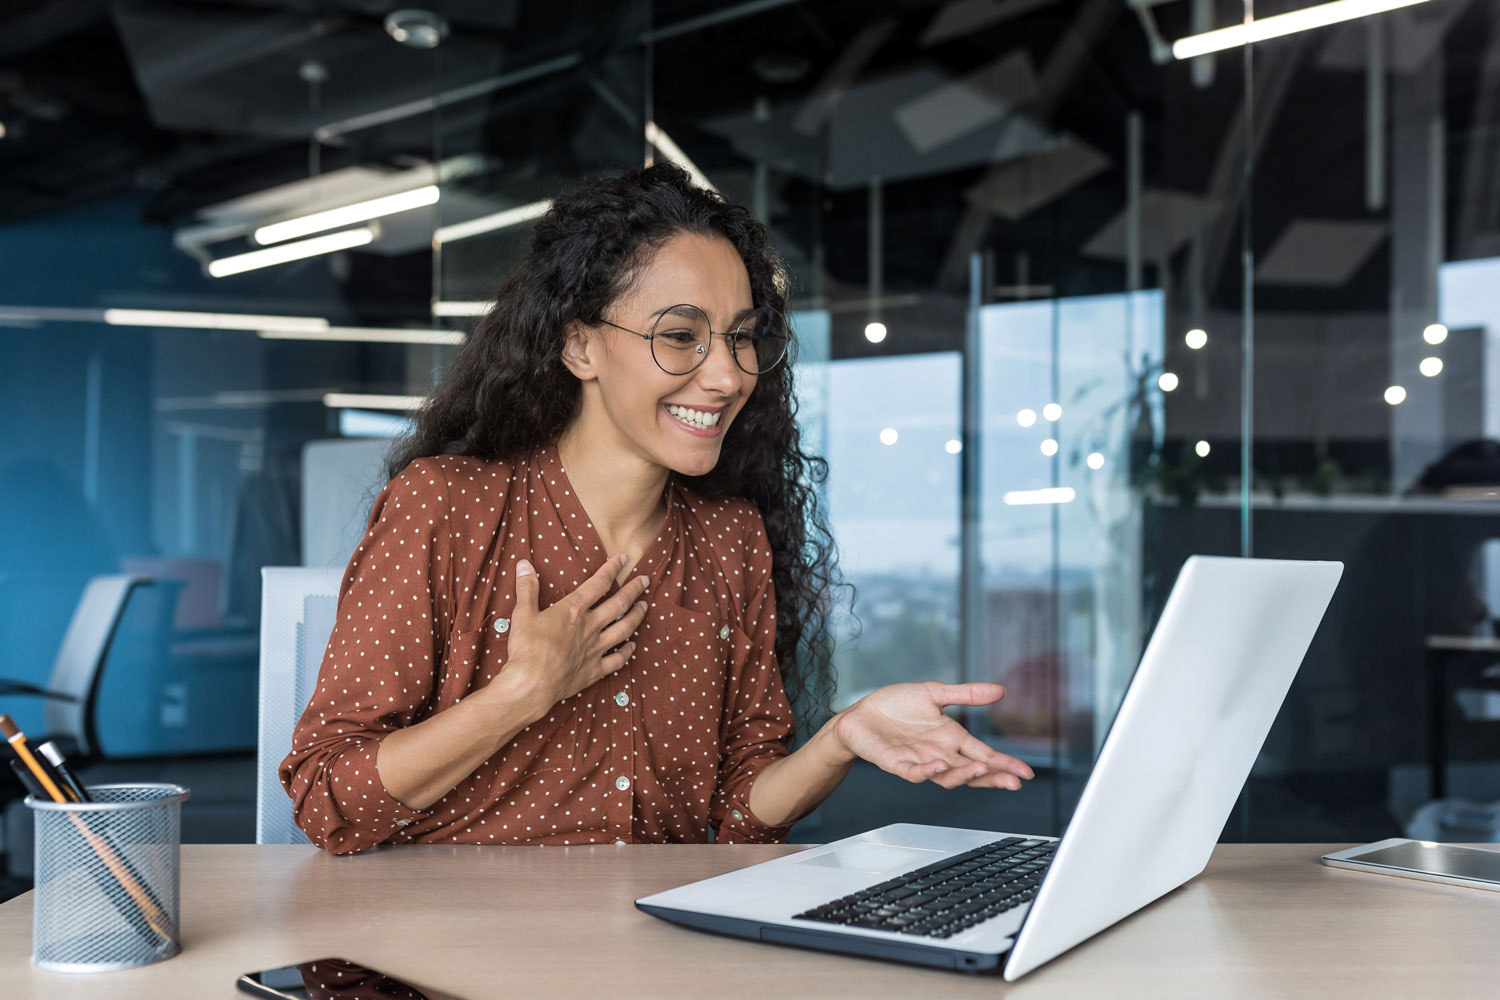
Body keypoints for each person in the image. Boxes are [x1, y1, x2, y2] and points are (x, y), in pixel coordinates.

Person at [280, 163, 1033, 855]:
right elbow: (326, 802)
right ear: (580, 347)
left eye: (741, 339)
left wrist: (842, 737)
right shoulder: (450, 505)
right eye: (680, 337)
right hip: (454, 948)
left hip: (651, 953)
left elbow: (740, 812)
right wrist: (521, 693)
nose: (727, 376)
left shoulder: (729, 538)